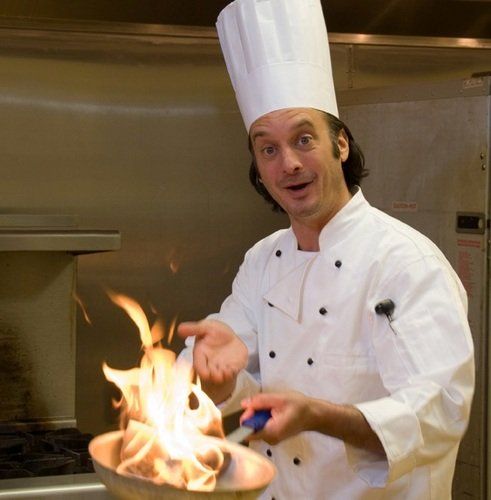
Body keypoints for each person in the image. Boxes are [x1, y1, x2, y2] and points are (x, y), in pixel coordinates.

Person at [178, 0, 475, 498]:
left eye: (304, 138)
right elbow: (237, 388)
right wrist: (219, 382)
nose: (288, 162)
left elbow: (441, 409)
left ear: (340, 143)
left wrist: (321, 416)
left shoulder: (406, 263)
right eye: (268, 148)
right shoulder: (262, 260)